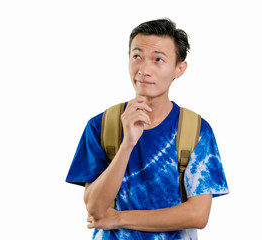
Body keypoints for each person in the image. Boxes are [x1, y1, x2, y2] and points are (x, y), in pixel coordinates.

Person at [66, 18, 229, 240]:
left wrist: (118, 218)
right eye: (137, 57)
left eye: (158, 59)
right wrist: (127, 144)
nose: (144, 69)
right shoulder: (102, 126)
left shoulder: (196, 130)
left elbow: (198, 215)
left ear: (179, 68)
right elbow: (95, 208)